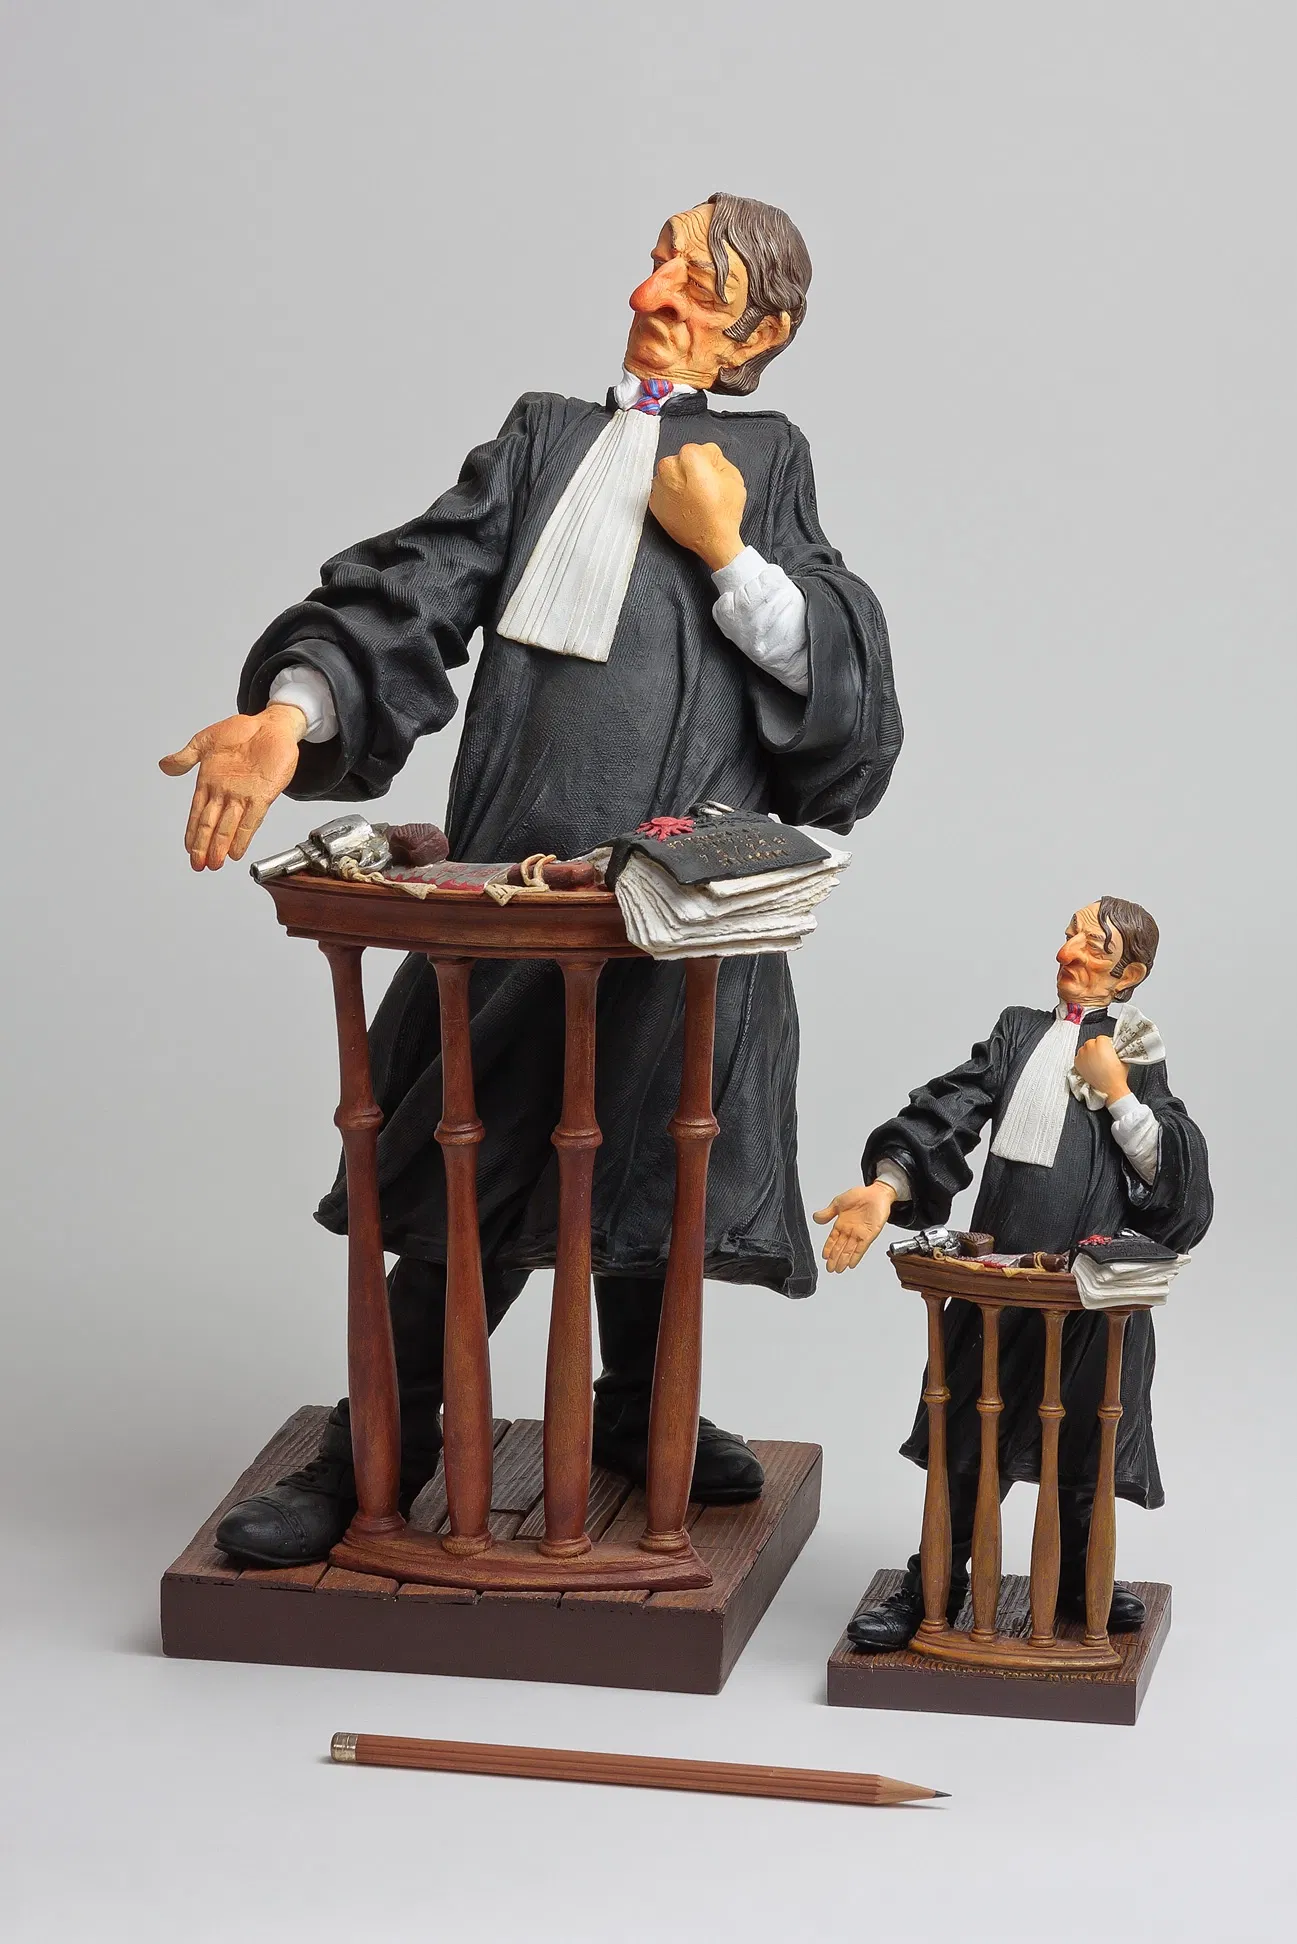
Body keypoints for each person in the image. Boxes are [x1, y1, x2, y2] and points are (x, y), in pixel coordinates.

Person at [161, 193, 903, 1565]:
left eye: (697, 280)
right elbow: (415, 589)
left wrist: (728, 552)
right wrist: (294, 711)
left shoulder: (766, 457)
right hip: (516, 891)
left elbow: (839, 675)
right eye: (659, 258)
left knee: (655, 1167)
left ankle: (634, 1412)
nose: (652, 292)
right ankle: (378, 1448)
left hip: (679, 900)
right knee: (475, 1179)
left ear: (760, 334)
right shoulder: (544, 440)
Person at [814, 897, 1212, 1649]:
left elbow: (1176, 1180)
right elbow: (951, 1110)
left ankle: (1076, 1580)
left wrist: (1119, 1094)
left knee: (1086, 1440)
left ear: (1128, 974)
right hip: (996, 1283)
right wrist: (887, 1186)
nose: (1067, 953)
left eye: (1091, 945)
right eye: (1068, 935)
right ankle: (935, 1583)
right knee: (966, 1438)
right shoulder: (1017, 1032)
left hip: (1087, 1292)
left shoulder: (1134, 1050)